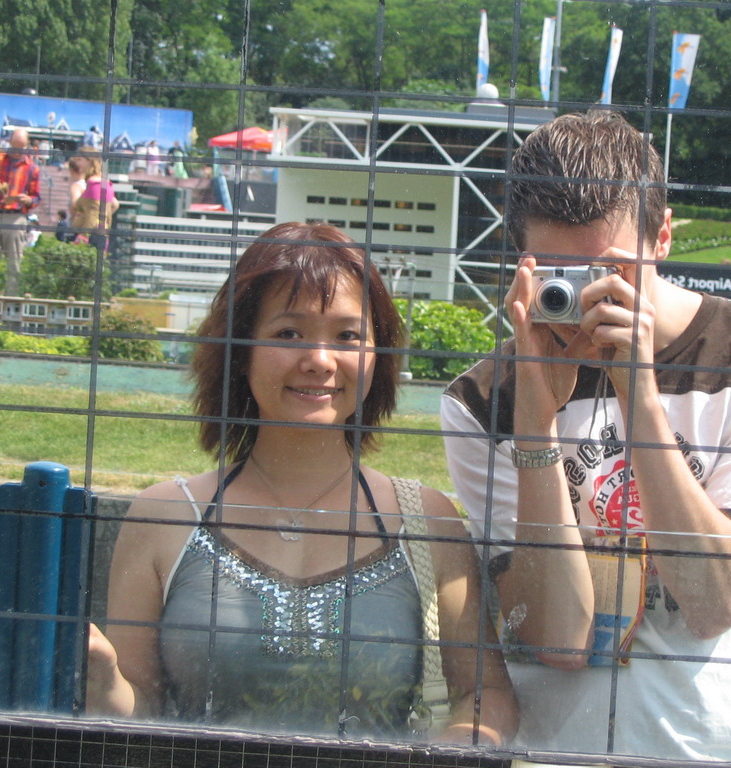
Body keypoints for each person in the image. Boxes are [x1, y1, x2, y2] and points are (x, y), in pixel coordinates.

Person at [440, 111, 731, 763]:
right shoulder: (483, 401)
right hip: (565, 754)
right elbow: (558, 638)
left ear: (665, 235)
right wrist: (535, 427)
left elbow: (713, 600)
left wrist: (639, 392)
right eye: (560, 275)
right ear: (523, 263)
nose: (591, 297)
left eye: (614, 271)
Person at [86, 222, 518, 745]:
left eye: (347, 336)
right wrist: (102, 676)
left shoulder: (428, 520)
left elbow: (487, 693)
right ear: (240, 348)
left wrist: (449, 748)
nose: (319, 360)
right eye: (288, 334)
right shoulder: (163, 517)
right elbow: (139, 710)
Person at [0, 127, 41, 296]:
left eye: (20, 148)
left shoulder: (32, 168)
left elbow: (36, 197)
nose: (16, 152)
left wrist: (28, 200)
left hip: (17, 217)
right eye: (13, 147)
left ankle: (12, 298)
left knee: (15, 262)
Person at [69, 146, 120, 251]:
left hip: (88, 235)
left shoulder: (93, 183)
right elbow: (115, 204)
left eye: (80, 160)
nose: (77, 164)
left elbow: (80, 206)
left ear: (89, 161)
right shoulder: (105, 182)